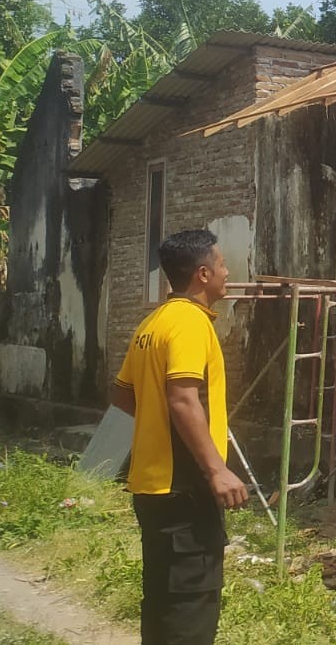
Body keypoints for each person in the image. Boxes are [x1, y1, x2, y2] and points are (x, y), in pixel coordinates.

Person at [108, 229, 247, 645]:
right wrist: (216, 470)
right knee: (191, 607)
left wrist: (157, 425)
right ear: (203, 274)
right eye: (222, 264)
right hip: (184, 490)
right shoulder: (189, 323)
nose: (227, 272)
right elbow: (184, 398)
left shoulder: (152, 323)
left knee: (163, 601)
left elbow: (120, 395)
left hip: (152, 488)